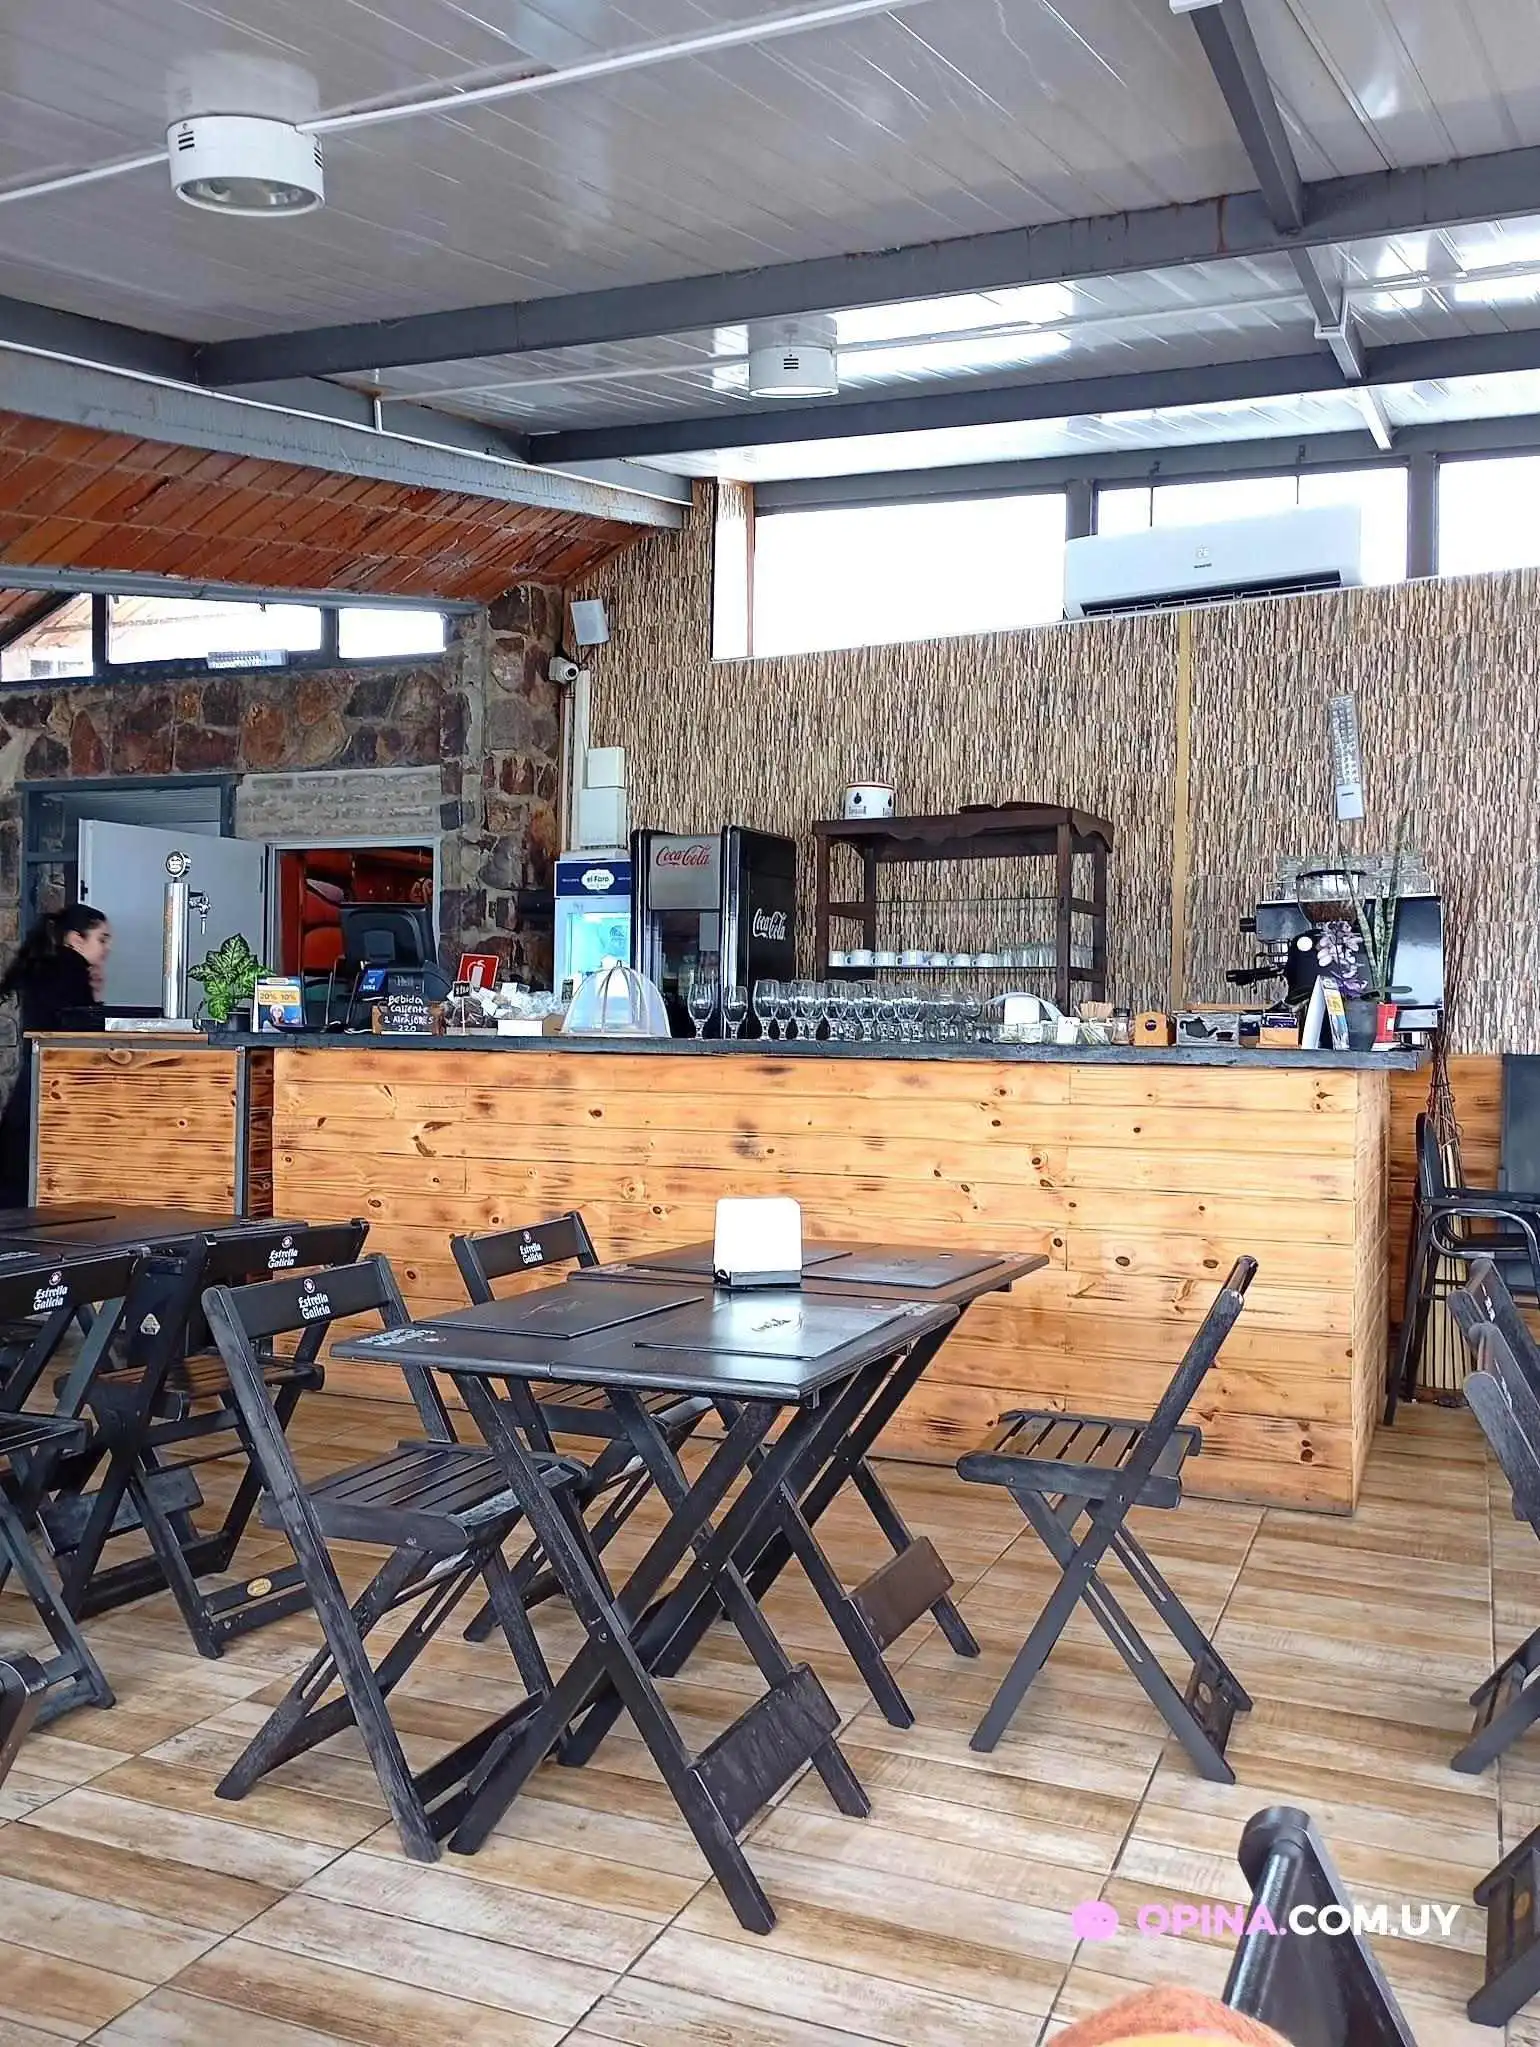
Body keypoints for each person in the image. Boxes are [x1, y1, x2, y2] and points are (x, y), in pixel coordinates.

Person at [0, 905, 111, 1208]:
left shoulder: (47, 967)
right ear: (76, 939)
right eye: (101, 939)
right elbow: (78, 1030)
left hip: (34, 1081)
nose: (107, 948)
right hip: (54, 1084)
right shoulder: (70, 971)